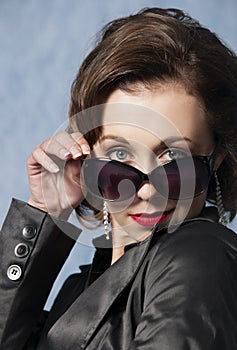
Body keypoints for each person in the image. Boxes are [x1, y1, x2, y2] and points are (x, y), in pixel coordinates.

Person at [1, 6, 237, 349]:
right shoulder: (81, 288)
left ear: (216, 160)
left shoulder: (197, 256)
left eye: (174, 157)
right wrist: (46, 209)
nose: (146, 191)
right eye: (120, 157)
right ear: (87, 156)